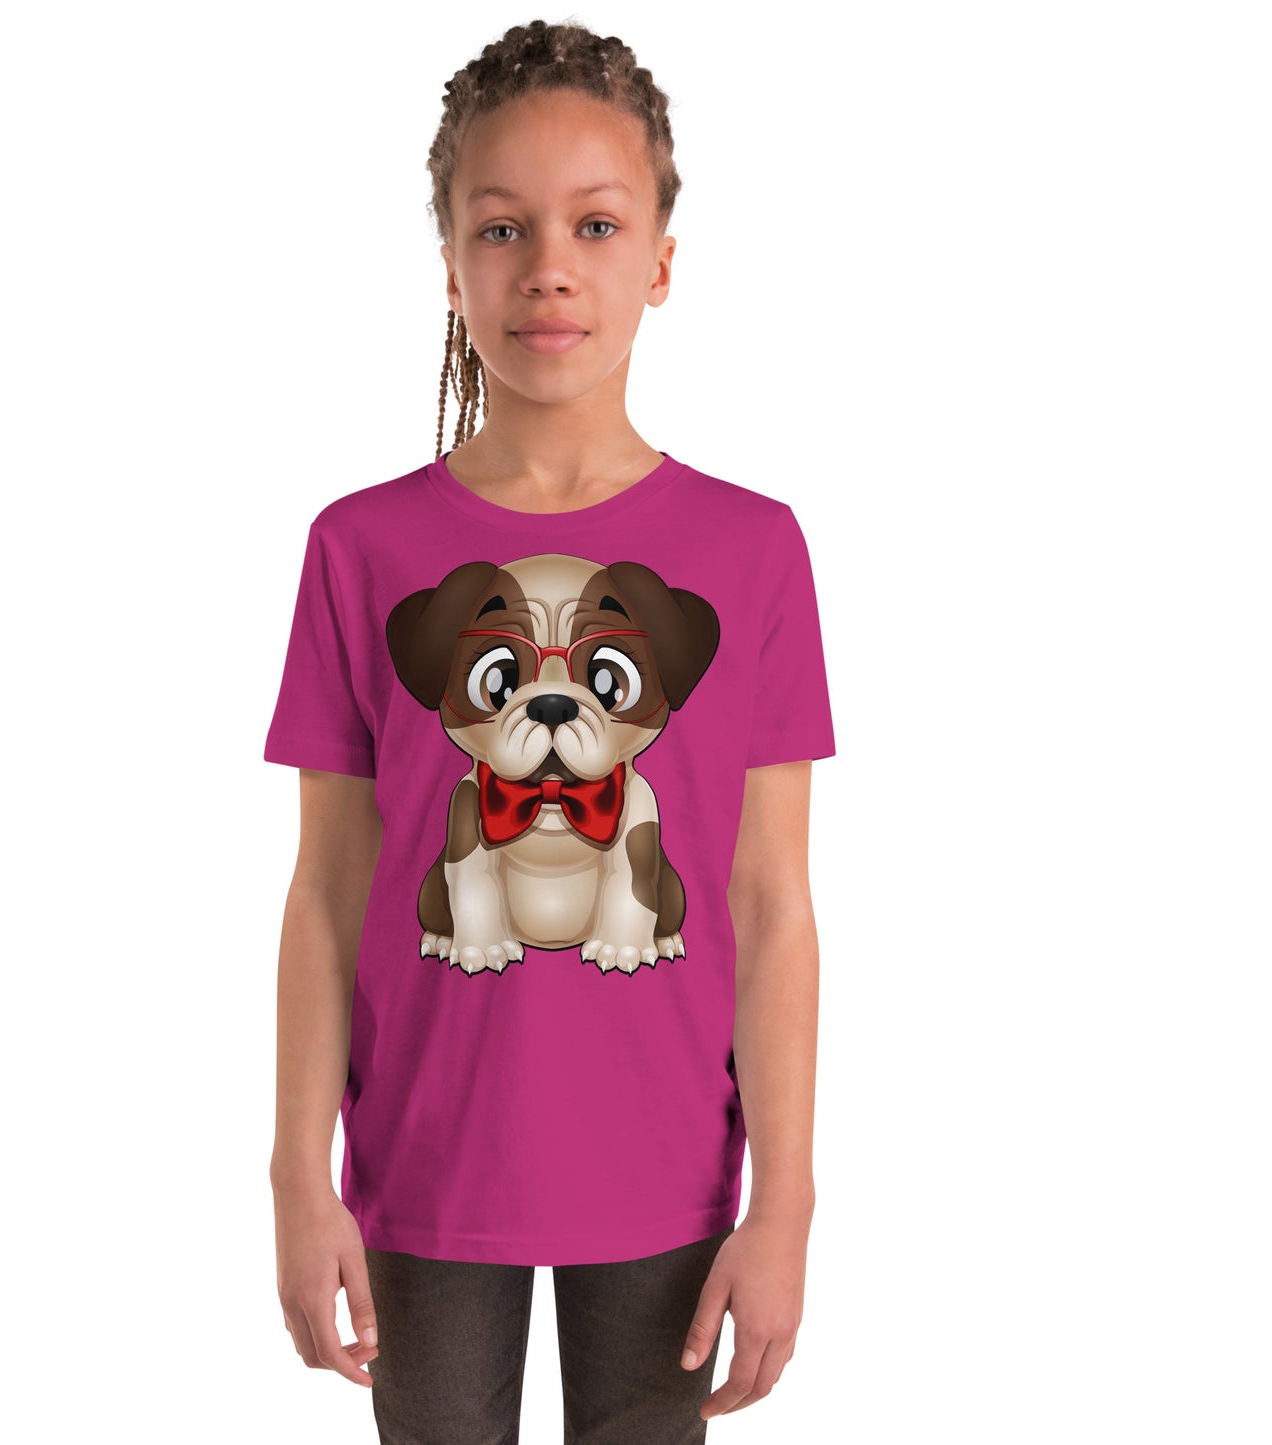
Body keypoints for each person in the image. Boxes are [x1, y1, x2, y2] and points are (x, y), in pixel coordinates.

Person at [264, 19, 836, 1443]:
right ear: (451, 261)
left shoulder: (753, 548)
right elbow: (329, 889)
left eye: (595, 223)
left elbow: (771, 903)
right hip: (422, 1166)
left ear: (661, 261)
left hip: (669, 1172)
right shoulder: (360, 547)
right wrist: (295, 1175)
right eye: (501, 227)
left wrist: (786, 1201)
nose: (549, 269)